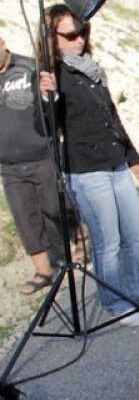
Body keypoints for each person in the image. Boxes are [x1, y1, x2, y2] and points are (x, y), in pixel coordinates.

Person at [45, 4, 139, 326]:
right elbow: (47, 129)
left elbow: (111, 116)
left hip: (115, 164)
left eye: (83, 32)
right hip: (85, 171)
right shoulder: (52, 78)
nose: (79, 40)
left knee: (136, 233)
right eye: (70, 35)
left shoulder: (93, 70)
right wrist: (46, 98)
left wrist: (133, 158)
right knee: (109, 242)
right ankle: (115, 303)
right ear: (52, 38)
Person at [0, 34, 70, 295]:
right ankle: (43, 272)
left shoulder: (29, 67)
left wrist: (47, 94)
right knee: (25, 217)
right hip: (9, 164)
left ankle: (80, 236)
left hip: (42, 154)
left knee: (55, 207)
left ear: (3, 43)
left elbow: (52, 105)